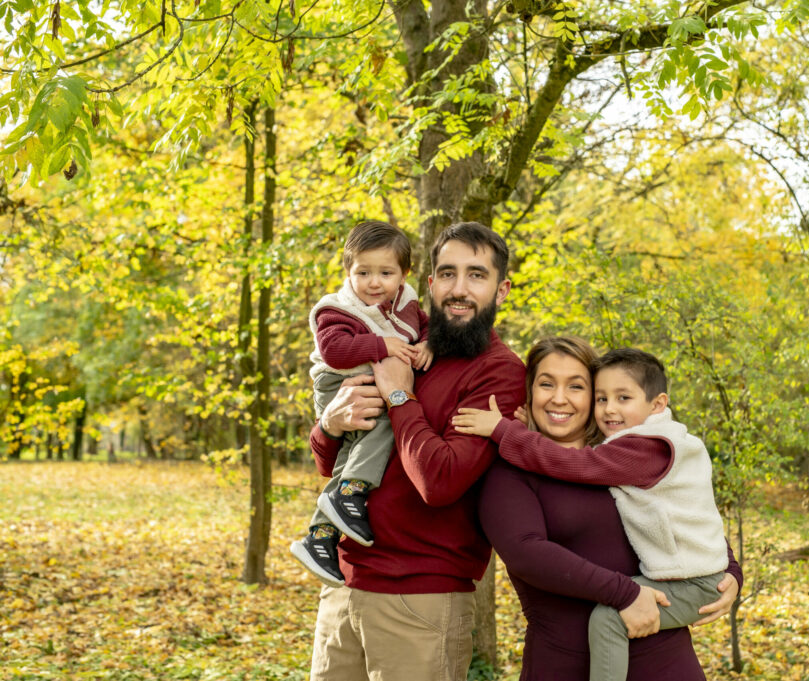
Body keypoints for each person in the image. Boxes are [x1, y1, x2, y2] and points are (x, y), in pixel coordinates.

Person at [307, 222, 527, 681]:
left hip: (420, 601)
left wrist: (400, 399)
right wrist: (330, 425)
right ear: (427, 284)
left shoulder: (499, 372)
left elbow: (440, 482)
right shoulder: (405, 350)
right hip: (345, 588)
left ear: (501, 289)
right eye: (447, 274)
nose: (458, 289)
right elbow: (333, 466)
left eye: (476, 275)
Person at [459, 337, 741, 680]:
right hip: (566, 662)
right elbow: (527, 553)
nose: (559, 398)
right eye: (546, 384)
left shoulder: (622, 455)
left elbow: (684, 512)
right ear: (530, 393)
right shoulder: (510, 471)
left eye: (576, 386)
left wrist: (729, 571)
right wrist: (625, 594)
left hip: (665, 658)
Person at [290, 221, 433, 586]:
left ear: (404, 275)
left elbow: (428, 328)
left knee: (353, 454)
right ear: (348, 272)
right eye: (363, 272)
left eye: (385, 273)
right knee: (386, 421)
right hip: (338, 381)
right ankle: (351, 493)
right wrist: (383, 346)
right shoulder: (337, 309)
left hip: (370, 381)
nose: (373, 283)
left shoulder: (407, 305)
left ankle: (320, 539)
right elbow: (334, 350)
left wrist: (429, 344)